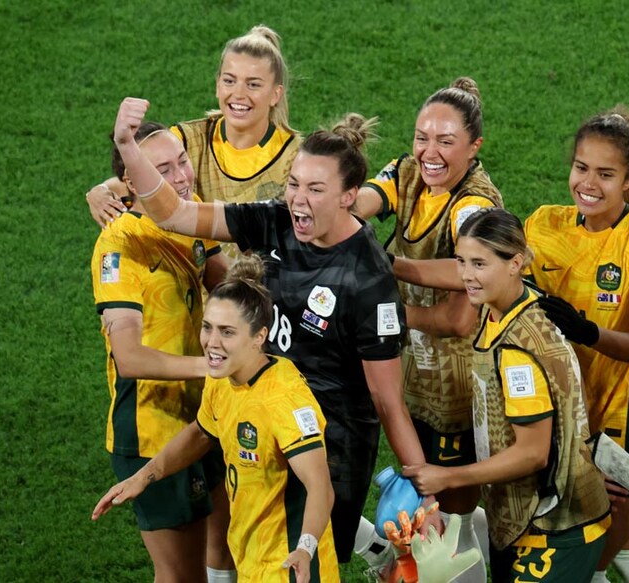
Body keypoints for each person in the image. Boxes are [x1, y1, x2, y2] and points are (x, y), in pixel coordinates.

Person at [110, 96, 430, 564]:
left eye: (315, 190)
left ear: (348, 196)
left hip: (323, 445)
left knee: (296, 564)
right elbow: (175, 215)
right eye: (294, 184)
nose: (299, 199)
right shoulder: (277, 220)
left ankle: (382, 555)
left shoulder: (369, 281)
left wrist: (421, 484)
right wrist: (127, 146)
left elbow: (386, 400)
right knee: (252, 554)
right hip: (259, 418)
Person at [93, 255, 340, 583]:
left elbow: (320, 486)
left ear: (258, 336)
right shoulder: (222, 379)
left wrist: (306, 548)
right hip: (254, 561)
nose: (212, 342)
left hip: (291, 569)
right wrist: (145, 476)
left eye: (227, 332)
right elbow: (200, 432)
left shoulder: (284, 399)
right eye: (208, 327)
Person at [402, 207, 611, 583]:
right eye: (462, 261)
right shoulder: (507, 305)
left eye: (480, 264)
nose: (467, 275)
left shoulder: (518, 353)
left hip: (553, 523)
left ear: (515, 262)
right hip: (528, 516)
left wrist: (448, 477)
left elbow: (532, 453)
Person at [525, 109, 629, 583]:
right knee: (628, 547)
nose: (588, 183)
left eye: (605, 173)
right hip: (575, 409)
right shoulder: (543, 226)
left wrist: (587, 332)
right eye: (581, 167)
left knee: (599, 551)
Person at [354, 76, 500, 575]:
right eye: (422, 137)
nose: (429, 152)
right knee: (420, 501)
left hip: (456, 388)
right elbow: (358, 205)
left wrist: (386, 268)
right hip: (411, 372)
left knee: (449, 511)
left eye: (445, 141)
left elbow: (464, 302)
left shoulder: (475, 204)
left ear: (474, 147)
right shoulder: (408, 172)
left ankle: (469, 562)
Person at [89, 121, 235, 582]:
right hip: (152, 430)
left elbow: (227, 285)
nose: (180, 178)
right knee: (179, 576)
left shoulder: (185, 215)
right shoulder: (119, 246)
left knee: (227, 542)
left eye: (182, 162)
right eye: (163, 169)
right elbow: (129, 357)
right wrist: (211, 366)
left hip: (201, 415)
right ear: (131, 181)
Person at [86, 25, 298, 244]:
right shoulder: (185, 139)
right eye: (229, 81)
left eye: (253, 84)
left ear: (275, 94)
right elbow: (143, 182)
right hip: (196, 270)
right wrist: (100, 191)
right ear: (217, 85)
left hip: (265, 276)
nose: (238, 94)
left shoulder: (296, 158)